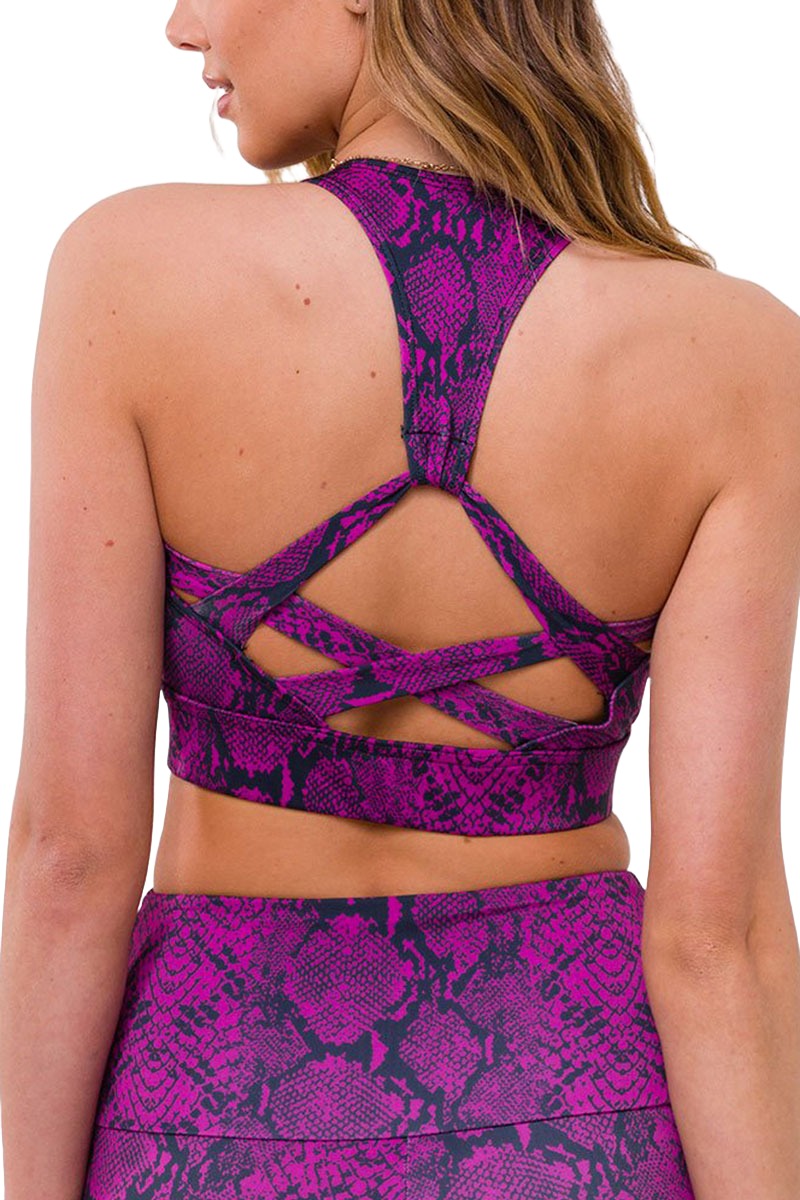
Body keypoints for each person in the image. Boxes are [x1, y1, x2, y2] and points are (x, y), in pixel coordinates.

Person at [1, 0, 799, 1196]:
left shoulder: (131, 273)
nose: (180, 25)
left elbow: (70, 856)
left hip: (211, 1117)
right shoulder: (738, 356)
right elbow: (715, 938)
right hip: (578, 1123)